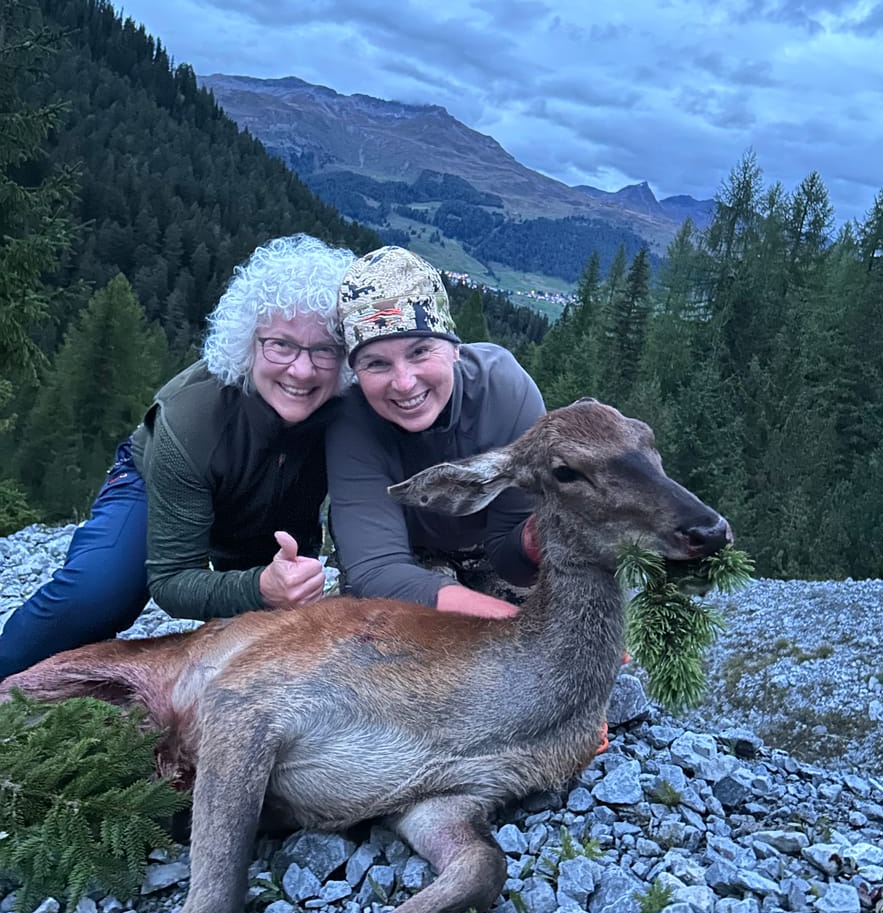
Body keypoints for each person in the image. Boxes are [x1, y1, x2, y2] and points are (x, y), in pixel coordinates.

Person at [0, 233, 356, 681]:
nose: (302, 370)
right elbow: (171, 582)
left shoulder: (348, 406)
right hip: (157, 479)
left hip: (267, 504)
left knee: (277, 635)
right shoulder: (190, 418)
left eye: (323, 350)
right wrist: (258, 585)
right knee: (98, 593)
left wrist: (279, 584)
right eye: (281, 345)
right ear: (248, 343)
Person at [327, 245, 546, 619]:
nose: (404, 382)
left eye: (420, 352)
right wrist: (516, 626)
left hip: (487, 556)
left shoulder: (504, 390)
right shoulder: (351, 419)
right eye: (376, 363)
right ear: (355, 371)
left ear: (454, 348)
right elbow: (377, 570)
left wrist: (532, 540)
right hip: (407, 557)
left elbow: (511, 557)